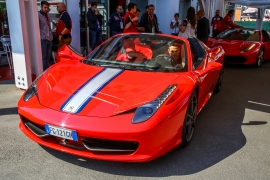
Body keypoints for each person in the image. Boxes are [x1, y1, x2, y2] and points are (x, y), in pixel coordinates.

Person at [38, 1, 53, 70]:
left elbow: (48, 26)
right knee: (44, 57)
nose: (46, 9)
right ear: (41, 7)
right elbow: (37, 28)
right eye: (45, 7)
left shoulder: (48, 16)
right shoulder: (38, 15)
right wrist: (42, 37)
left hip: (49, 38)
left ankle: (46, 70)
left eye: (47, 8)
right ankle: (44, 72)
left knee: (48, 56)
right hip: (43, 39)